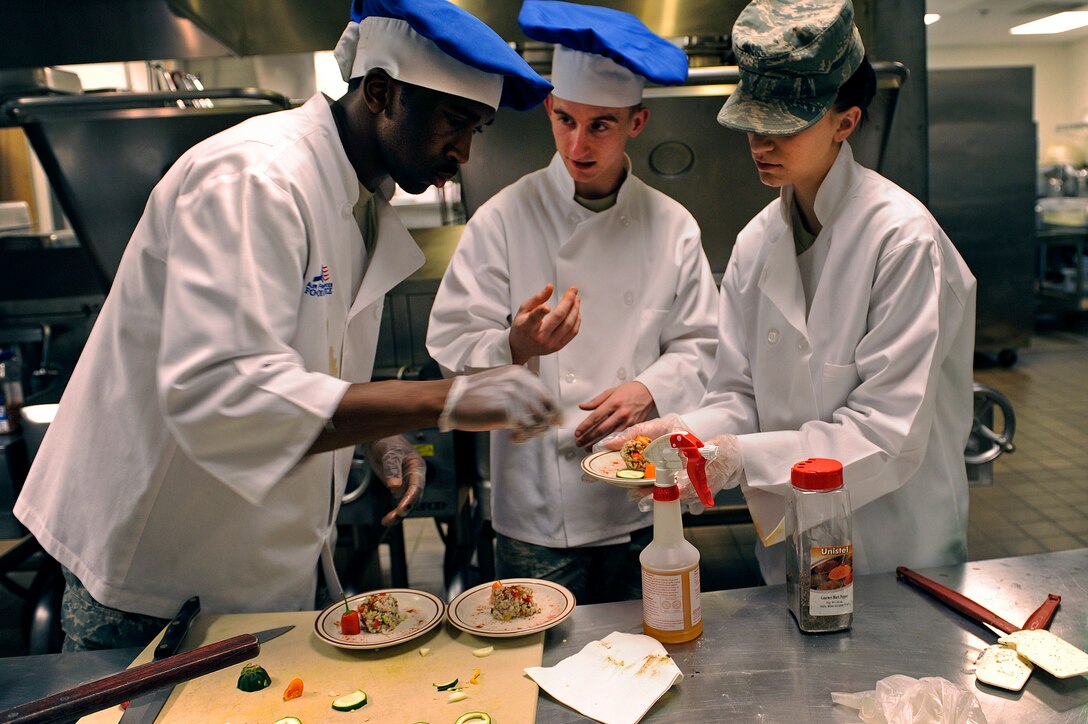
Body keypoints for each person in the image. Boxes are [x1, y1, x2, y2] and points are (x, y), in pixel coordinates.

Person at [14, 0, 559, 651]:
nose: (465, 152)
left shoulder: (362, 200)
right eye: (455, 120)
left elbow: (306, 369)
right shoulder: (255, 180)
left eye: (479, 129)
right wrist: (446, 401)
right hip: (150, 579)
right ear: (381, 92)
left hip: (259, 565)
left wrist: (374, 437)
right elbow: (225, 392)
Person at [600, 0, 977, 585]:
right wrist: (684, 433)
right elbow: (741, 394)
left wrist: (740, 458)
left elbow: (886, 432)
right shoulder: (756, 243)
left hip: (896, 544)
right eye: (753, 122)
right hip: (796, 544)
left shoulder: (902, 241)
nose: (760, 143)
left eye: (785, 126)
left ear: (844, 122)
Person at [426, 0, 719, 604]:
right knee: (543, 665)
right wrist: (516, 344)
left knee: (651, 653)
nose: (577, 143)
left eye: (601, 125)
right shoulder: (504, 218)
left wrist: (650, 389)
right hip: (538, 508)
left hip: (642, 491)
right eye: (564, 120)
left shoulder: (672, 226)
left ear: (636, 123)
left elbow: (705, 346)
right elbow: (450, 347)